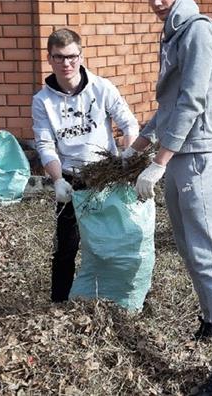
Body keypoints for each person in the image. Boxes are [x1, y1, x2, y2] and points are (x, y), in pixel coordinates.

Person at [121, 0, 212, 396]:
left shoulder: (197, 30)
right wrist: (136, 148)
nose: (156, 3)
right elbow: (168, 103)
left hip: (198, 157)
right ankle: (210, 320)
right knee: (186, 246)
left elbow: (193, 101)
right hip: (179, 155)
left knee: (208, 254)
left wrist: (158, 161)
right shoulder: (174, 31)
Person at [32, 28, 139, 303]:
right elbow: (45, 145)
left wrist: (127, 155)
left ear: (81, 55)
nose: (66, 64)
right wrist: (57, 180)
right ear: (49, 58)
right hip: (71, 179)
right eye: (59, 57)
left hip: (105, 175)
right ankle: (58, 305)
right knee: (66, 247)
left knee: (115, 239)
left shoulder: (101, 88)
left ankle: (120, 296)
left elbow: (129, 124)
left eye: (71, 57)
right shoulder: (42, 101)